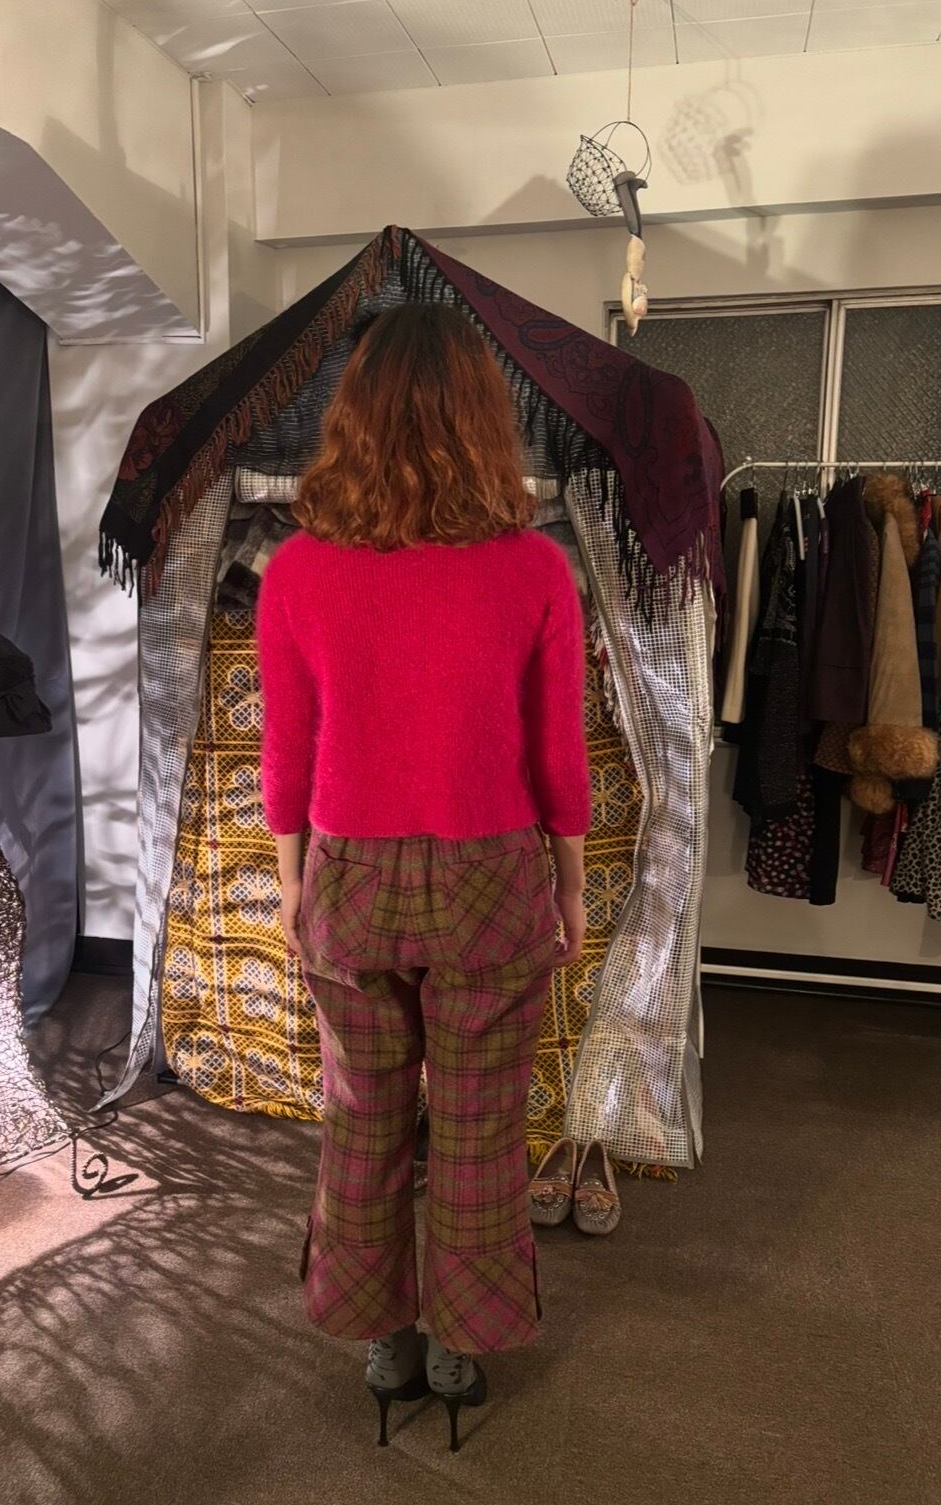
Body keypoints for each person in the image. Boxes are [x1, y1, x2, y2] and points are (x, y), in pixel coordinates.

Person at [256, 302, 590, 1452]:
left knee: (363, 1116)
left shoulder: (296, 571)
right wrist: (570, 885)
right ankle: (460, 1342)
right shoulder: (535, 569)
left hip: (348, 873)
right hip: (493, 873)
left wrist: (291, 883)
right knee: (480, 1127)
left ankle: (381, 1337)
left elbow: (287, 756)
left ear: (351, 419)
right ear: (484, 419)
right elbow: (556, 755)